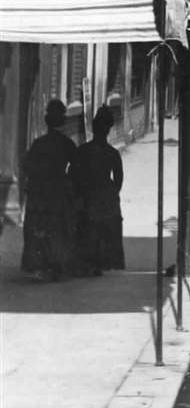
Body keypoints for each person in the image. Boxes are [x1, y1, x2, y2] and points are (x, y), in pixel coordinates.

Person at [21, 100, 78, 280]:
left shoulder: (38, 143)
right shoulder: (67, 144)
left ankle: (39, 263)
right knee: (58, 227)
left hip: (39, 192)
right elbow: (77, 168)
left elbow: (27, 166)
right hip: (58, 191)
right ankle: (57, 264)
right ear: (63, 121)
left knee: (39, 226)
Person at [72, 104, 125, 273]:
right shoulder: (112, 153)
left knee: (88, 226)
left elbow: (73, 174)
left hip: (87, 194)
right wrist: (112, 192)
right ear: (108, 130)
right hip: (105, 195)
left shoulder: (82, 150)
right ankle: (104, 261)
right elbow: (118, 179)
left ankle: (87, 260)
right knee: (105, 225)